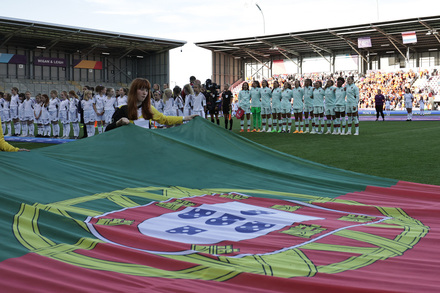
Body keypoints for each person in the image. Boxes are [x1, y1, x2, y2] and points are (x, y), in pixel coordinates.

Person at [105, 78, 197, 131]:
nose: (145, 93)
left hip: (146, 147)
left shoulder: (149, 108)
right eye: (141, 89)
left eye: (146, 90)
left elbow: (164, 119)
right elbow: (107, 130)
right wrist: (118, 123)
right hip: (129, 149)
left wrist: (185, 118)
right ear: (134, 91)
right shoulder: (122, 109)